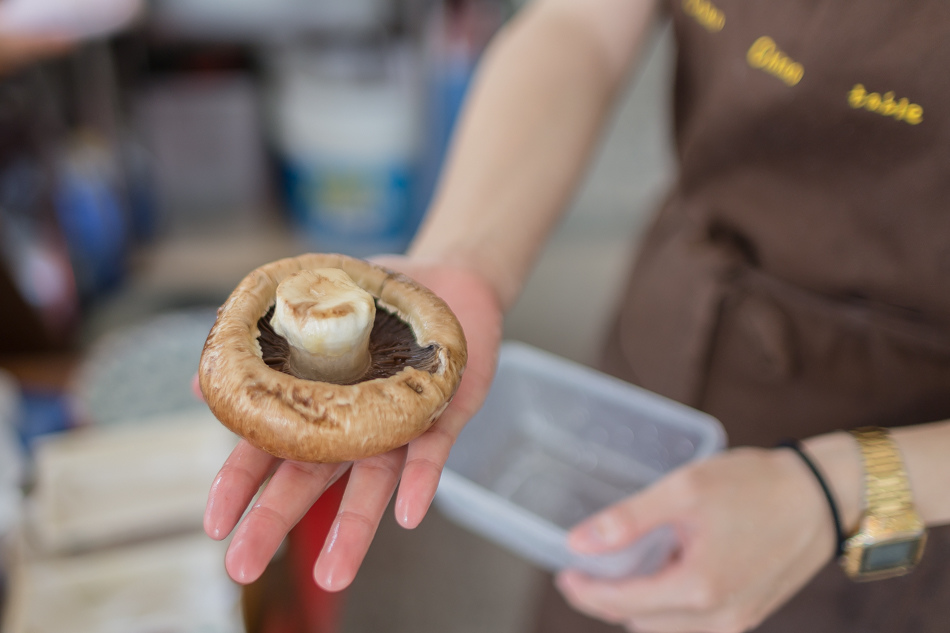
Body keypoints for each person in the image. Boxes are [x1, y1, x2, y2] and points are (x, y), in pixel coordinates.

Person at [203, 0, 950, 631]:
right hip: (681, 324)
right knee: (597, 577)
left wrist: (836, 490)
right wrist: (469, 258)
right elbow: (582, 24)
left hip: (913, 466)